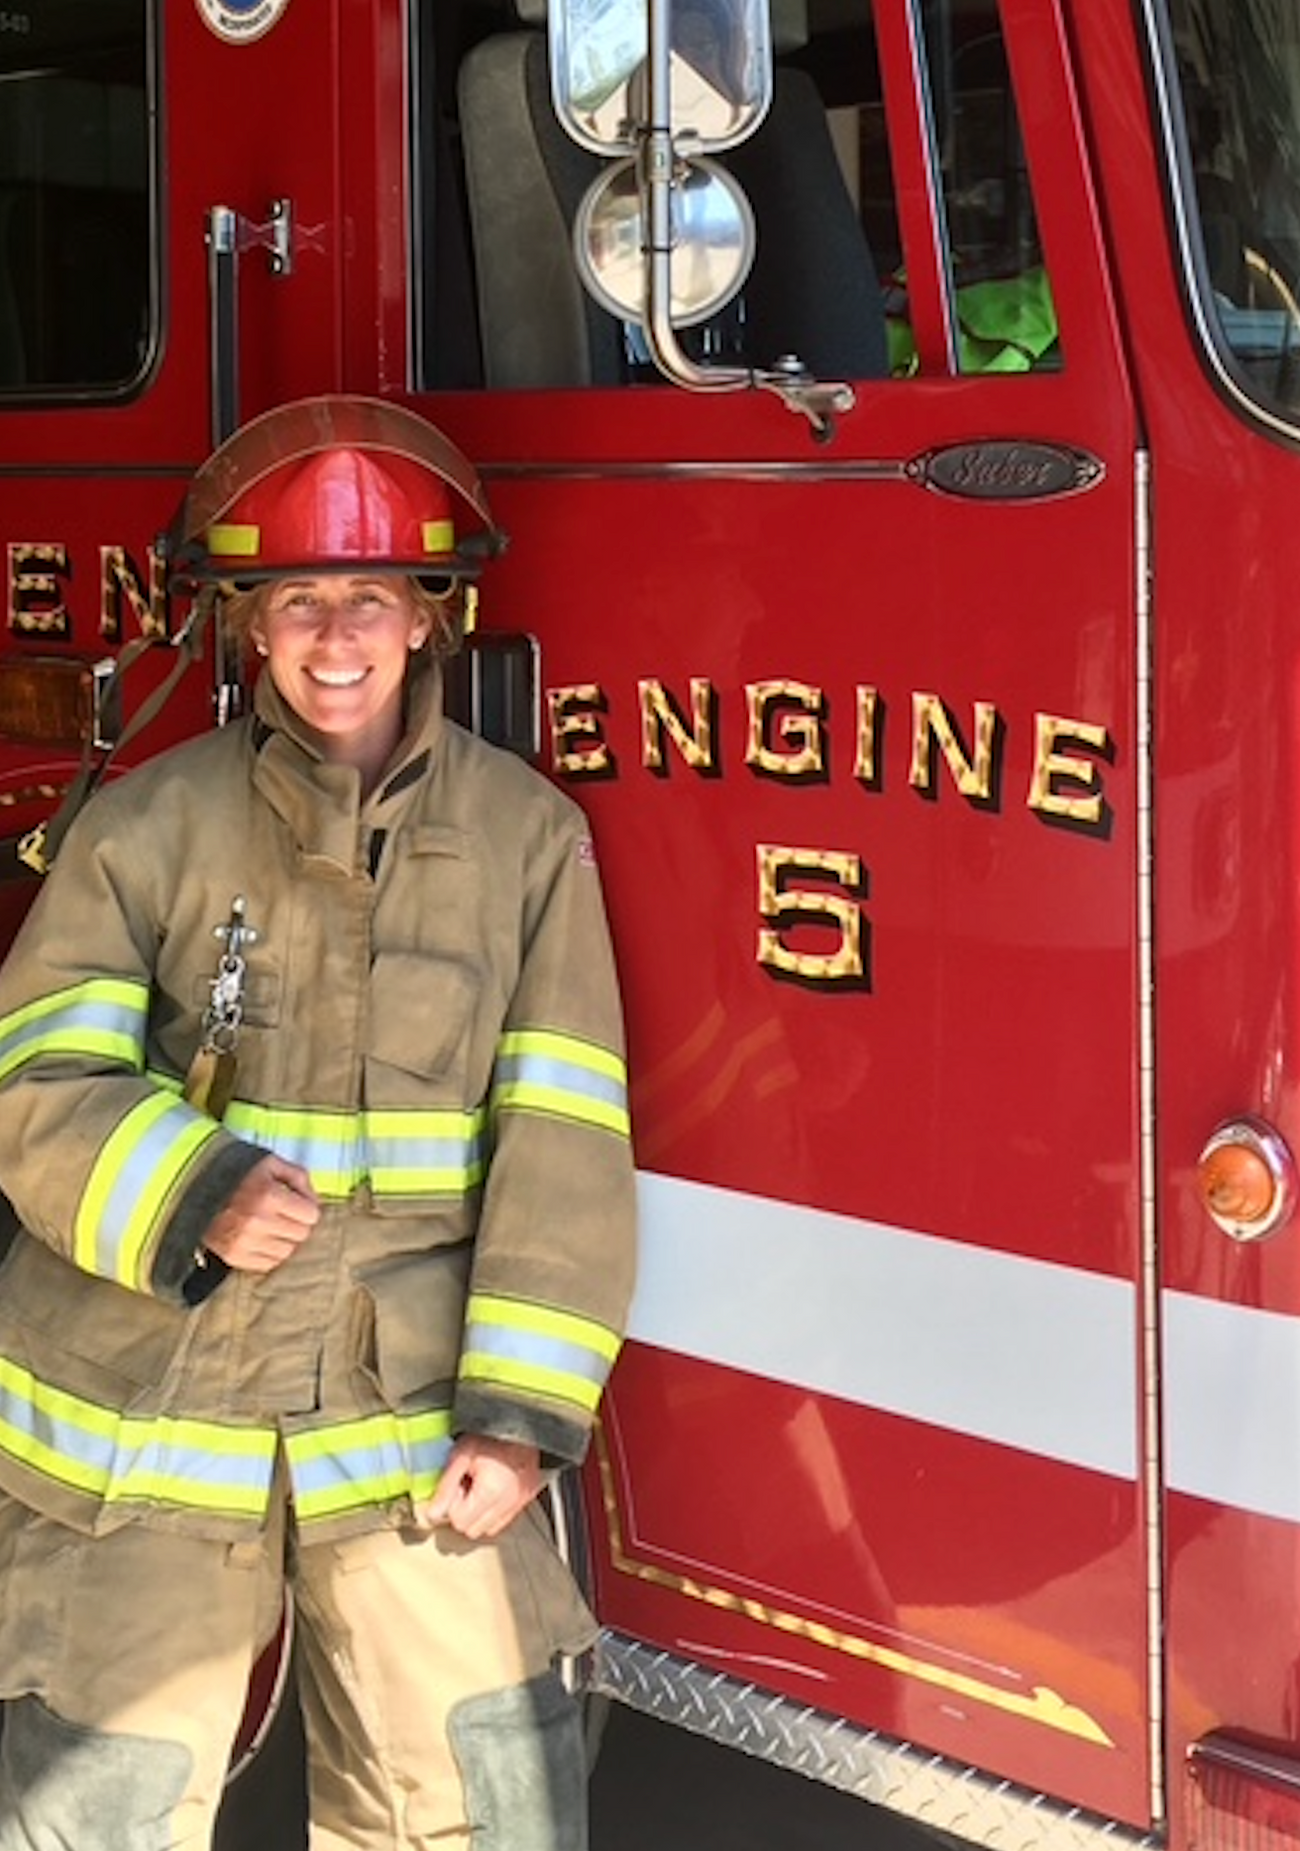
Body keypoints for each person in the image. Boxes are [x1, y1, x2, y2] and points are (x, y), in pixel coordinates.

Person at [0, 394, 638, 1850]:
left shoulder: (528, 843)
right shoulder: (147, 826)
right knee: (89, 1815)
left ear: (428, 619)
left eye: (369, 598)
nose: (334, 637)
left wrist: (519, 1420)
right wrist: (191, 1188)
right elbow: (32, 1076)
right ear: (247, 628)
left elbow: (564, 1145)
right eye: (297, 601)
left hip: (405, 1423)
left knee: (488, 1805)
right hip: (145, 1413)